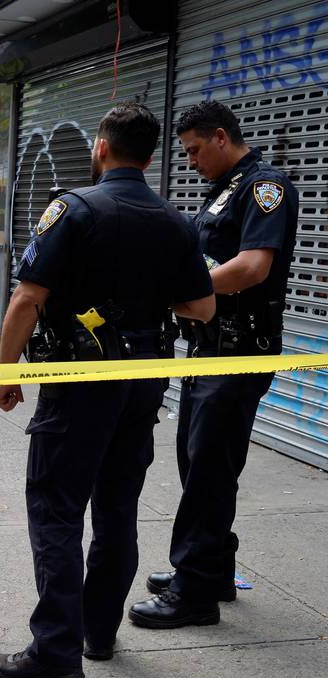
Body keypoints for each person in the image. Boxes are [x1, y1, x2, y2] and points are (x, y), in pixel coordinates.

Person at [0, 103, 215, 678]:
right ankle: (99, 635)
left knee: (57, 511)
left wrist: (6, 371)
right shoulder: (176, 221)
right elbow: (202, 307)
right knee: (118, 510)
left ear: (101, 147)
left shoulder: (74, 208)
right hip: (142, 385)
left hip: (78, 384)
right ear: (151, 155)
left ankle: (55, 654)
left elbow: (26, 298)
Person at [130, 101, 299, 629]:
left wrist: (184, 289)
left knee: (207, 468)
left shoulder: (264, 188)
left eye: (195, 150)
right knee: (200, 461)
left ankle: (195, 592)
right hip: (210, 347)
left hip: (238, 348)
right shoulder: (225, 188)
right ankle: (214, 568)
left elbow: (252, 267)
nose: (191, 161)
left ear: (221, 137)